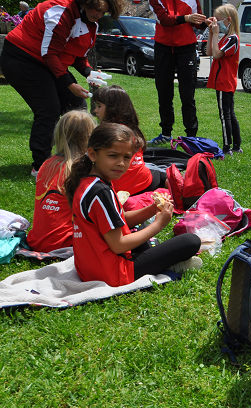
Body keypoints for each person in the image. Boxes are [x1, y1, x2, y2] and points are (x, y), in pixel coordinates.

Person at [64, 123, 202, 286]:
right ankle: (167, 265)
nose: (121, 163)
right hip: (112, 274)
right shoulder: (100, 191)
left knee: (140, 233)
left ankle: (160, 260)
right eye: (113, 156)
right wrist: (159, 224)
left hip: (90, 269)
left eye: (126, 157)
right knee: (191, 241)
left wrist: (152, 209)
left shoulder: (90, 181)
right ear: (93, 154)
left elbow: (120, 220)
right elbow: (118, 245)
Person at [0, 0, 123, 177]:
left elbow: (77, 56)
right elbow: (49, 53)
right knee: (48, 109)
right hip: (22, 58)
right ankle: (41, 166)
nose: (98, 14)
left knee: (77, 105)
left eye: (103, 12)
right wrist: (69, 83)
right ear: (86, 2)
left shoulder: (91, 24)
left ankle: (76, 156)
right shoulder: (60, 13)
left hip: (48, 62)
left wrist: (88, 72)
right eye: (96, 9)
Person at [27, 110, 96, 252]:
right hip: (66, 243)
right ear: (91, 137)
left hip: (37, 241)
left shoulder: (47, 164)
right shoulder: (84, 169)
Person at [147, 0, 206, 145]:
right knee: (164, 92)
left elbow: (197, 22)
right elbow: (164, 19)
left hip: (187, 47)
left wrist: (205, 22)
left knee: (187, 94)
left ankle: (191, 136)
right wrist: (187, 18)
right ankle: (166, 133)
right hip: (163, 47)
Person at [92, 85, 166, 196]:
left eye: (99, 106)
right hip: (143, 183)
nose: (95, 110)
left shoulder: (107, 134)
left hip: (122, 190)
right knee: (161, 174)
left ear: (112, 109)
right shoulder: (131, 129)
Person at [206, 4, 241, 156]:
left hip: (224, 81)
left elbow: (217, 54)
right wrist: (211, 34)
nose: (218, 23)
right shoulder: (226, 38)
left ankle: (227, 147)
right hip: (223, 81)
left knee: (225, 115)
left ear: (228, 20)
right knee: (229, 114)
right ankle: (236, 146)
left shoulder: (233, 39)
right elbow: (209, 51)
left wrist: (216, 34)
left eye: (219, 20)